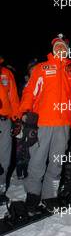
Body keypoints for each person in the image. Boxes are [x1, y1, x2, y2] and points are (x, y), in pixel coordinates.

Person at [19, 34, 71, 213]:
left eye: (63, 48)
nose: (60, 49)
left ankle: (50, 195)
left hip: (63, 124)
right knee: (37, 160)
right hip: (43, 122)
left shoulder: (70, 71)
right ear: (52, 49)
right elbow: (29, 92)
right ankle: (33, 195)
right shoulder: (42, 68)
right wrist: (25, 112)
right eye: (57, 47)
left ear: (67, 51)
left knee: (57, 162)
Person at [0, 55, 19, 205]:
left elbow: (13, 98)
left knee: (4, 159)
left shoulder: (6, 73)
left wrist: (16, 119)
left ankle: (0, 191)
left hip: (4, 121)